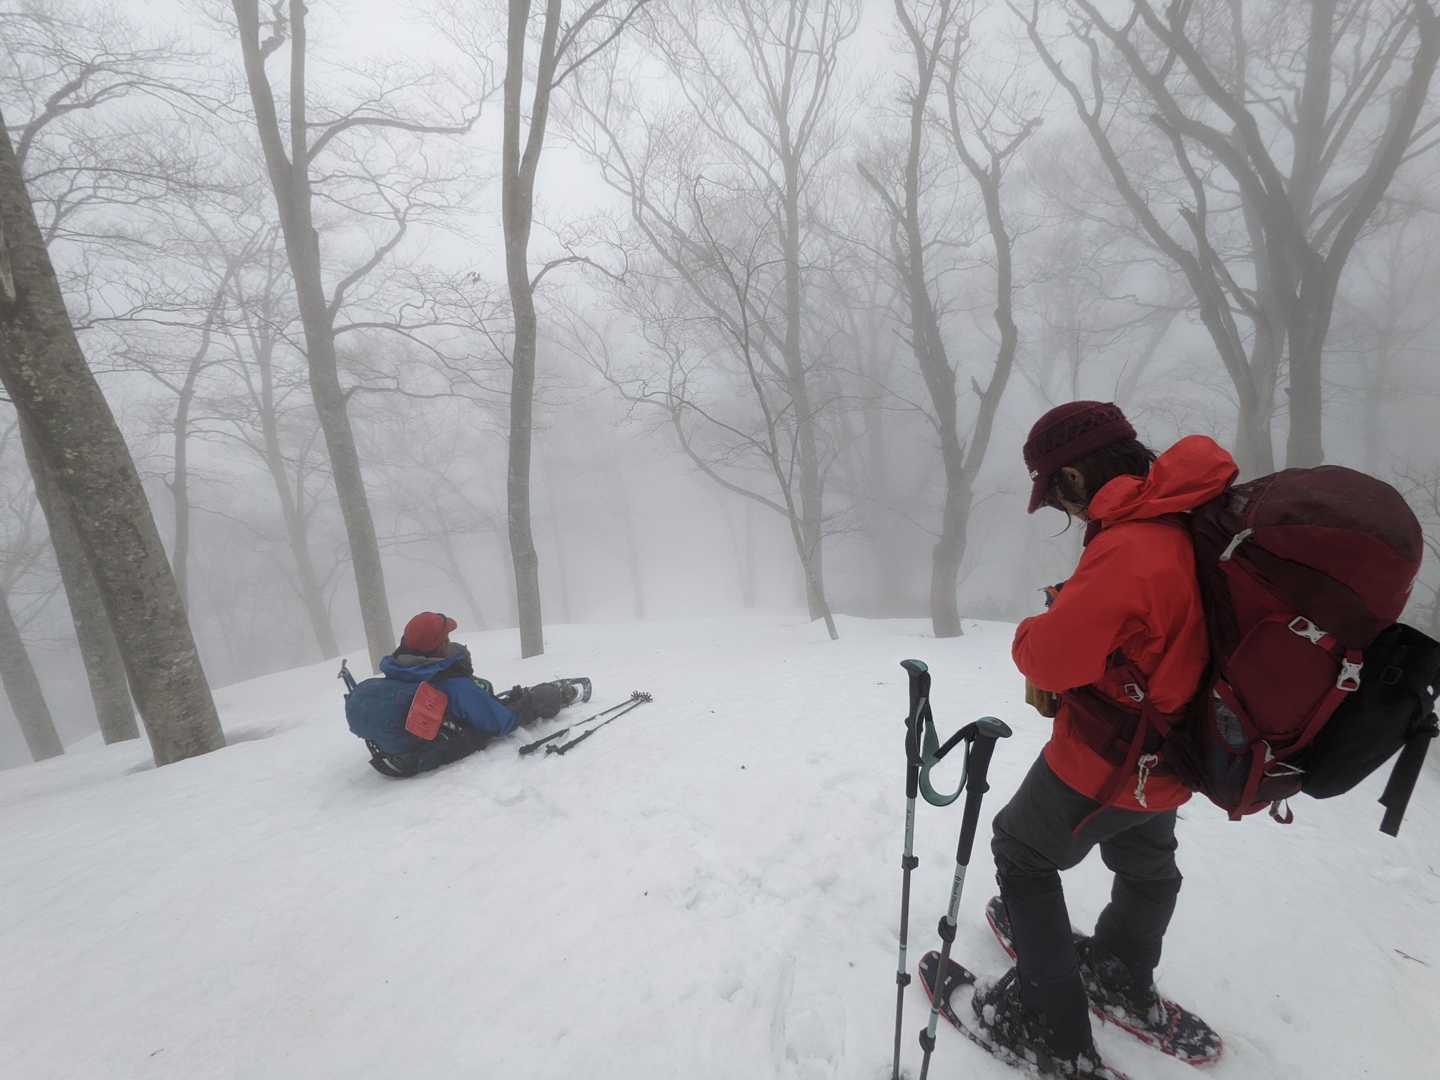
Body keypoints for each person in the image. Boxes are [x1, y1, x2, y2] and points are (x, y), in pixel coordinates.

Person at [973, 402, 1237, 1076]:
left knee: (1022, 852)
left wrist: (1040, 625)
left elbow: (1049, 662)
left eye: (1057, 495)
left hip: (1109, 758)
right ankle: (1120, 971)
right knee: (1147, 862)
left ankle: (1048, 1028)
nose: (1065, 509)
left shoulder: (1130, 547)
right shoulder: (1189, 516)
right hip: (1177, 753)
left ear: (1071, 477)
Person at [350, 612, 573, 777]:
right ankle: (555, 695)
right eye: (445, 639)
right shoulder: (453, 686)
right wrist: (532, 703)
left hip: (393, 755)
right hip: (425, 753)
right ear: (435, 648)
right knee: (539, 698)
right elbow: (502, 723)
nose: (449, 643)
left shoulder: (399, 670)